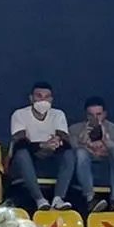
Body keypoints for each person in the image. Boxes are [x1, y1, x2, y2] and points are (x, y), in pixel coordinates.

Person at [7, 83, 76, 211]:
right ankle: (39, 199)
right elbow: (20, 142)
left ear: (51, 99)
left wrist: (56, 142)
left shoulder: (58, 114)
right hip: (28, 157)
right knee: (21, 153)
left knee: (69, 154)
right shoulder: (19, 114)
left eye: (47, 97)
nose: (43, 100)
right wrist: (42, 145)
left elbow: (64, 139)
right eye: (39, 96)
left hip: (52, 155)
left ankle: (58, 198)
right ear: (31, 98)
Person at [74, 97, 114, 213]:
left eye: (98, 114)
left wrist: (106, 142)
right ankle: (90, 198)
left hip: (108, 160)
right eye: (91, 115)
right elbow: (71, 148)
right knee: (80, 153)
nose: (95, 118)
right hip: (87, 159)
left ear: (104, 114)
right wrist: (84, 143)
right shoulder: (76, 128)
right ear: (86, 115)